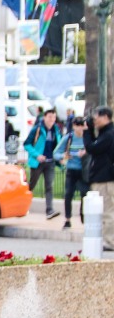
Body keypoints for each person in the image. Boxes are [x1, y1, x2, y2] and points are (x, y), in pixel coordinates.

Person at [81, 106, 114, 251]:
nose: (95, 120)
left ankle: (110, 241)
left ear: (106, 117)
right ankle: (105, 239)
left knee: (107, 211)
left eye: (97, 117)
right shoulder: (104, 133)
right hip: (101, 178)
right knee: (101, 211)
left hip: (105, 180)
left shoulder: (109, 135)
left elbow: (92, 148)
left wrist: (87, 132)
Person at [23, 108, 63, 219]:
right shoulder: (37, 129)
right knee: (32, 185)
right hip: (38, 163)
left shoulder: (56, 130)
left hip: (50, 162)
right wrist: (37, 155)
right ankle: (22, 206)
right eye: (50, 117)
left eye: (54, 117)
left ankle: (49, 210)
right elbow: (27, 144)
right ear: (45, 117)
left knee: (49, 186)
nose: (52, 119)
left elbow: (59, 145)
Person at [58, 115, 89, 230]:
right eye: (78, 125)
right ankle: (67, 219)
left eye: (82, 125)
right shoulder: (69, 138)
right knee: (68, 194)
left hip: (84, 170)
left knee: (84, 195)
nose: (80, 128)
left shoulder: (87, 137)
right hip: (71, 169)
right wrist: (64, 156)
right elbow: (56, 152)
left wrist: (85, 152)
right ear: (74, 126)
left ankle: (83, 215)